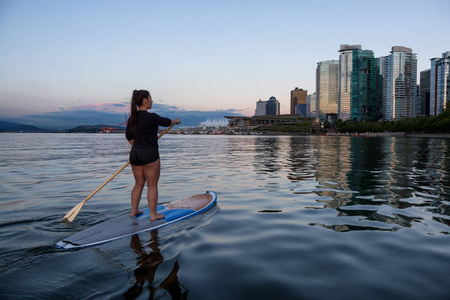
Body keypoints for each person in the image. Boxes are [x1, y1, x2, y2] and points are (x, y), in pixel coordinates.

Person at [126, 90, 180, 220]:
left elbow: (129, 138)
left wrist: (139, 144)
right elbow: (167, 121)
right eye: (150, 98)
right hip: (149, 153)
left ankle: (134, 211)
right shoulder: (152, 117)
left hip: (135, 153)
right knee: (152, 185)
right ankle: (153, 214)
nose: (152, 101)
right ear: (145, 100)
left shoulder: (132, 118)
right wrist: (176, 121)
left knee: (138, 184)